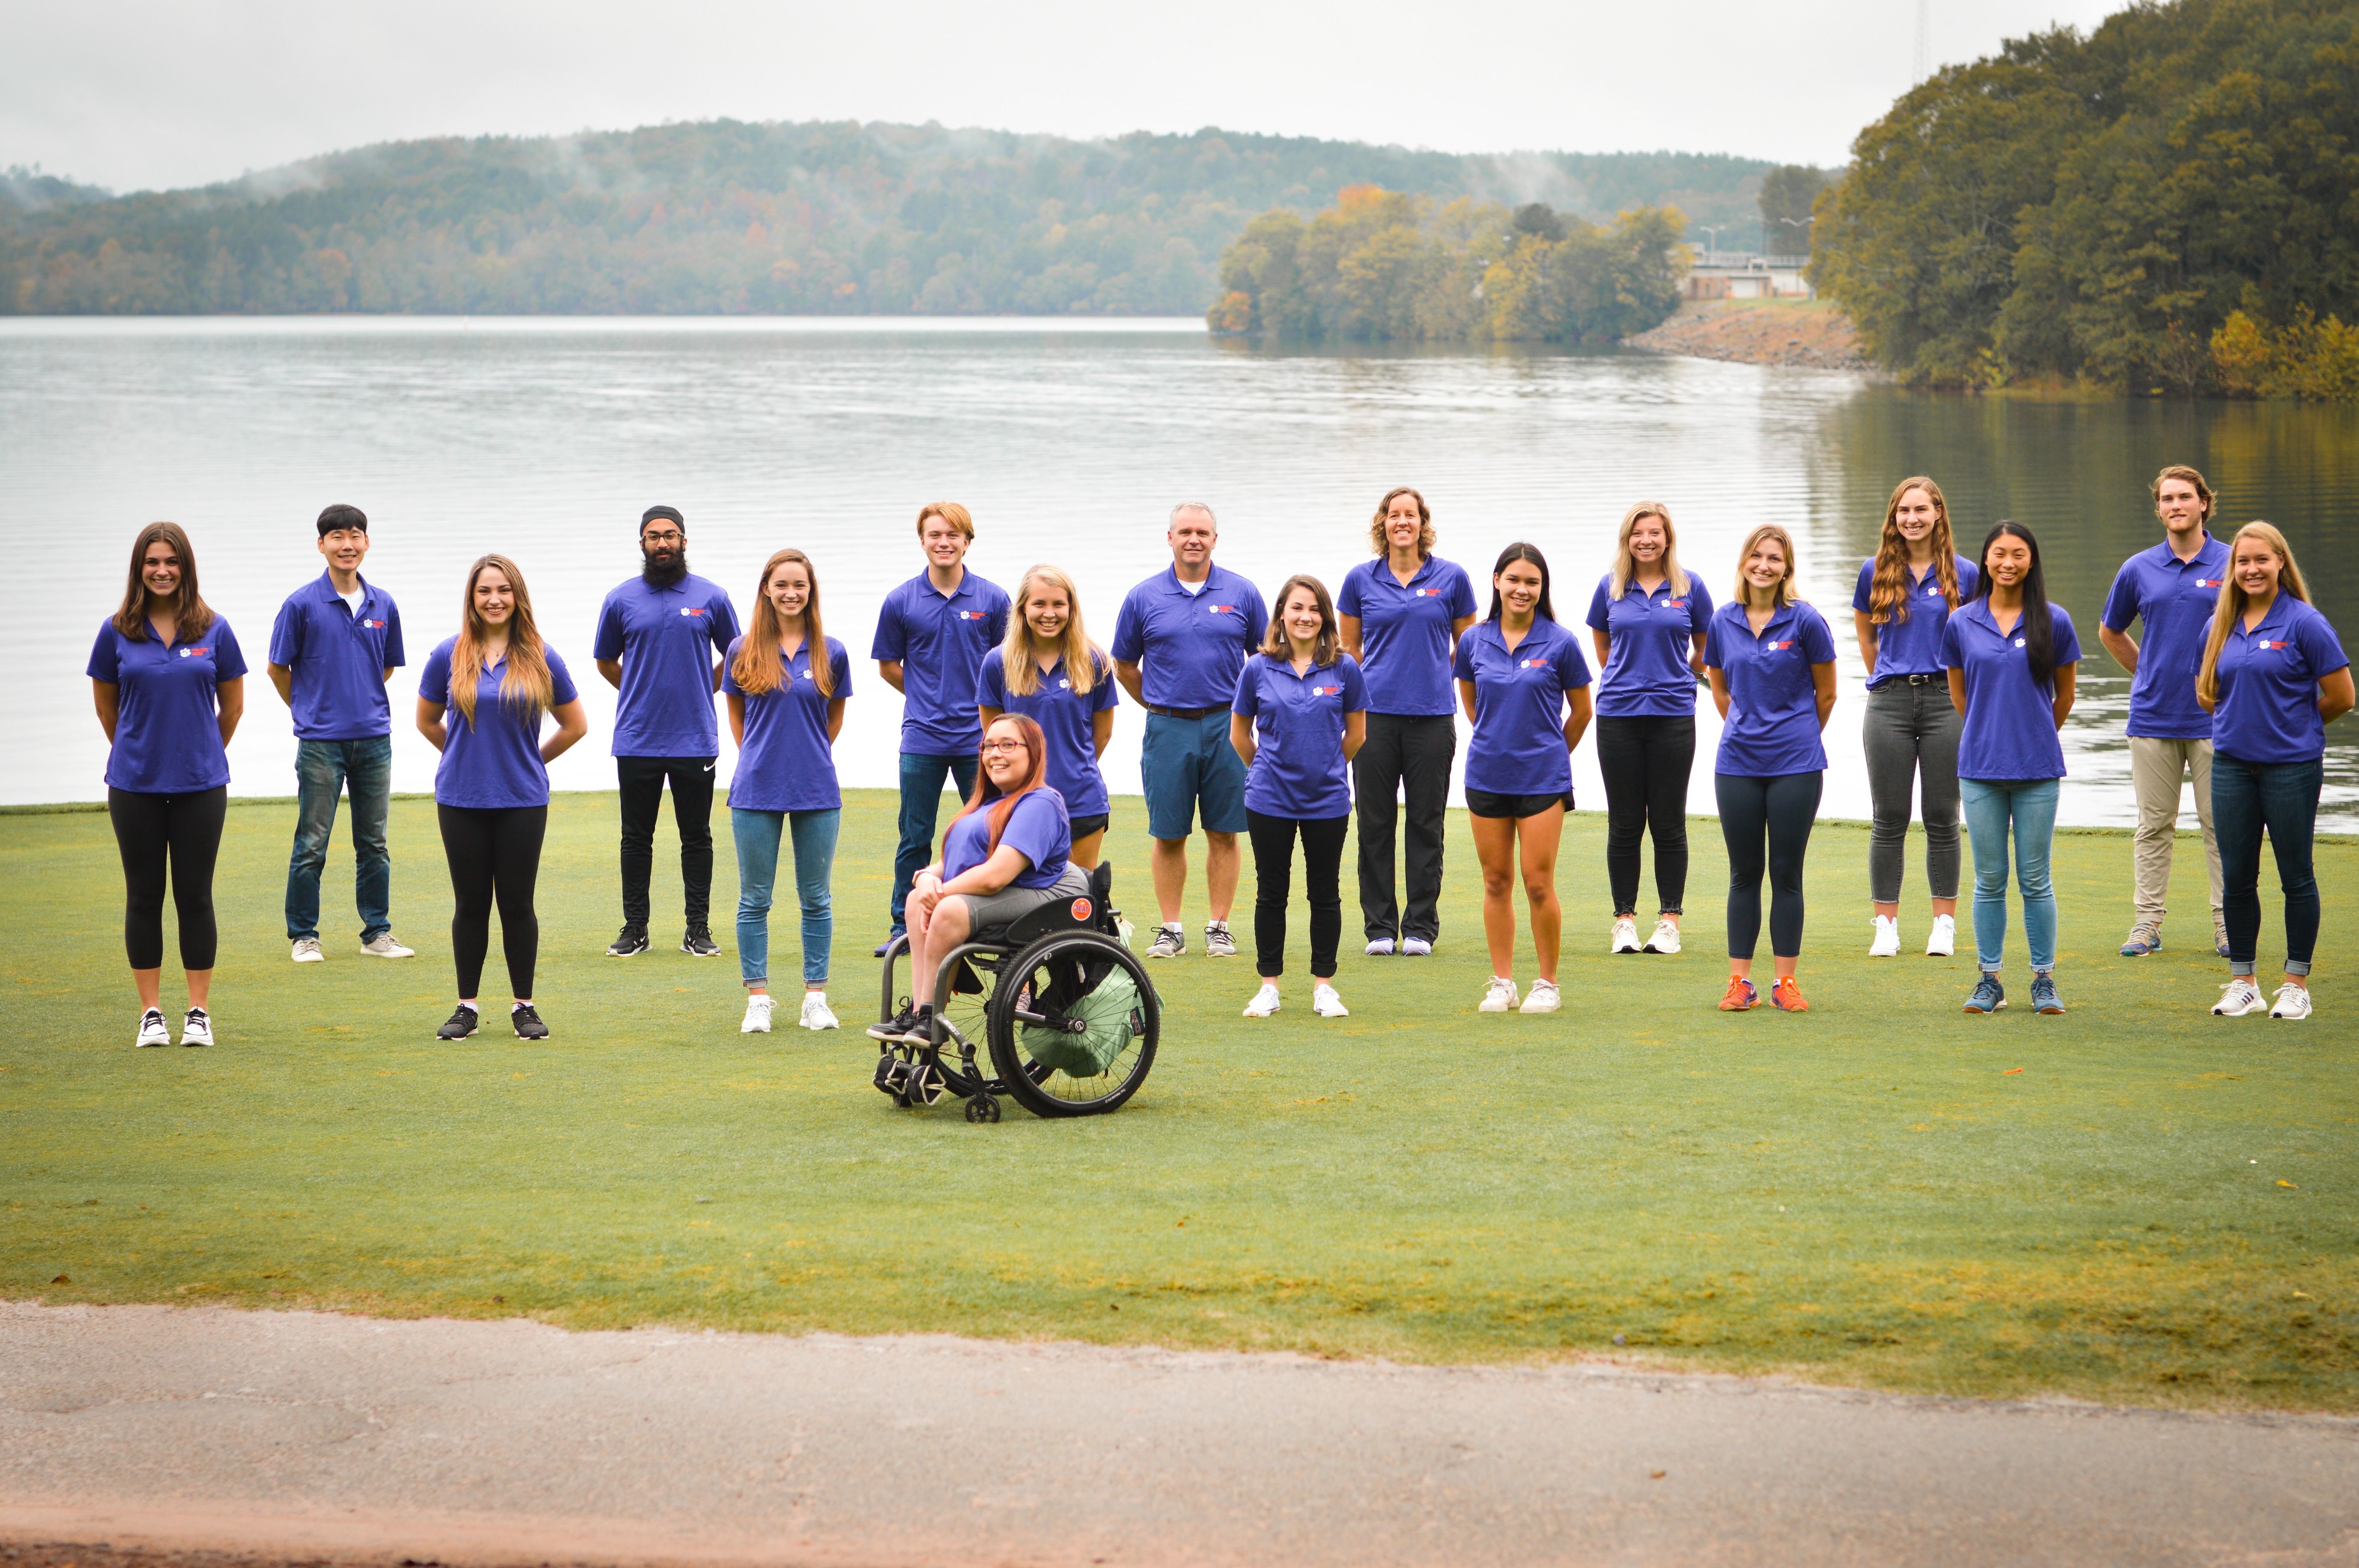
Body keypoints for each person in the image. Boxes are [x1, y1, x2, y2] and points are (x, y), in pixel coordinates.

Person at [419, 555, 589, 1041]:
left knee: (517, 903)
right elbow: (427, 721)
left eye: (503, 590)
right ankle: (466, 1008)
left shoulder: (541, 655)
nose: (494, 599)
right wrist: (463, 755)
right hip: (460, 797)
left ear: (517, 596)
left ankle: (524, 1007)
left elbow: (575, 726)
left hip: (522, 799)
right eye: (484, 591)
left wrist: (529, 762)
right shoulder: (447, 655)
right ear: (472, 600)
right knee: (470, 903)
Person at [89, 523, 246, 1048]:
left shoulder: (215, 629)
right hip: (134, 785)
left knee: (195, 896)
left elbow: (234, 706)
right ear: (139, 569)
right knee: (144, 895)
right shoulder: (116, 630)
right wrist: (143, 751)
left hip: (202, 785)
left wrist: (198, 751)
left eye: (171, 561)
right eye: (152, 562)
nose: (162, 570)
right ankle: (151, 1013)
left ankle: (198, 1012)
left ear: (186, 567)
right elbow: (108, 708)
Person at [2196, 522, 2353, 1021]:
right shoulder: (2218, 625)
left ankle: (2294, 983)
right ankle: (2243, 982)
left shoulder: (2304, 622)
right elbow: (2205, 693)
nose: (2251, 569)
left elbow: (2343, 696)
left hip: (2292, 768)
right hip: (2231, 768)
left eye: (2261, 560)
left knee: (2295, 876)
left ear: (2280, 562)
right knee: (2237, 878)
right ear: (2233, 568)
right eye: (2242, 562)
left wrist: (2296, 727)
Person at [1112, 502, 1269, 960]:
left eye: (1202, 532)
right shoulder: (1144, 596)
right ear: (1170, 538)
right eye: (1185, 532)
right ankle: (1171, 928)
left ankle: (1219, 927)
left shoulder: (1241, 592)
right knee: (1169, 833)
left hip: (1226, 724)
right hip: (1167, 727)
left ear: (1215, 540)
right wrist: (1156, 701)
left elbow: (1262, 659)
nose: (1193, 539)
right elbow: (1124, 664)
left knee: (1224, 831)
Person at [875, 714, 1087, 1044]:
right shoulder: (986, 805)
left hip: (1039, 895)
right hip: (1000, 894)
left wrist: (941, 893)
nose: (994, 754)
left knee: (947, 909)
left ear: (1032, 752)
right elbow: (950, 864)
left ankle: (931, 1017)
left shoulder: (1041, 802)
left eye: (1007, 745)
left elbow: (995, 876)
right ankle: (920, 1011)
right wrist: (927, 881)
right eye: (988, 746)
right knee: (916, 900)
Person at [1940, 523, 2080, 1017]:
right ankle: (1989, 979)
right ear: (1986, 560)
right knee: (1989, 879)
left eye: (2018, 554)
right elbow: (1960, 695)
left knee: (2035, 879)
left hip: (2037, 768)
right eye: (1999, 554)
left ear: (2031, 561)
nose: (2007, 562)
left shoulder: (2054, 620)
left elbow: (2064, 695)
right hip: (1979, 767)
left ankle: (2043, 980)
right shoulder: (1960, 622)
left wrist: (2034, 732)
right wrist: (1990, 731)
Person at [593, 505, 742, 960]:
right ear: (642, 543)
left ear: (684, 541)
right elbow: (605, 661)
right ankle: (635, 928)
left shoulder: (711, 597)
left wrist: (703, 685)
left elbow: (737, 655)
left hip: (695, 737)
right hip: (636, 738)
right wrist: (639, 688)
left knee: (695, 836)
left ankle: (697, 929)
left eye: (670, 535)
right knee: (635, 838)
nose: (663, 543)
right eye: (654, 536)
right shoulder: (621, 599)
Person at [267, 502, 412, 964]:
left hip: (374, 738)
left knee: (374, 842)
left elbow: (384, 666)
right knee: (312, 842)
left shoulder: (383, 603)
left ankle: (377, 933)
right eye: (336, 537)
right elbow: (277, 668)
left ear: (366, 543)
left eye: (355, 536)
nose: (346, 545)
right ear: (321, 545)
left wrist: (354, 700)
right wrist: (309, 708)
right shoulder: (300, 604)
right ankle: (305, 935)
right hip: (320, 744)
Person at [1453, 543, 1592, 1015]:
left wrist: (1550, 753)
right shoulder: (1473, 640)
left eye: (1531, 582)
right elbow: (1473, 705)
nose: (1522, 589)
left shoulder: (1562, 642)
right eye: (1513, 579)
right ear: (1496, 581)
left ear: (1542, 588)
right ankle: (1503, 983)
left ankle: (1547, 983)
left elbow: (1581, 712)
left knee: (1537, 883)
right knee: (1495, 881)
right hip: (1486, 774)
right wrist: (1501, 739)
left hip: (1542, 780)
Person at [2099, 465, 2232, 958]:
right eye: (2167, 499)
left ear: (2203, 503)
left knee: (2220, 825)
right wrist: (2145, 673)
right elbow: (2110, 631)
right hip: (2152, 717)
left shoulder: (2233, 561)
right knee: (2153, 825)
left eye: (2185, 497)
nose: (2175, 506)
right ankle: (2146, 925)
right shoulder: (2138, 568)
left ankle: (2227, 925)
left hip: (2217, 718)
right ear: (2158, 509)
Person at [1337, 486, 1476, 957]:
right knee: (1374, 824)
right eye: (1393, 515)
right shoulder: (1360, 580)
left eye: (1410, 515)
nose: (1402, 522)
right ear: (1383, 523)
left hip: (1433, 718)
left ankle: (1419, 927)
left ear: (1422, 523)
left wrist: (1435, 676)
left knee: (1426, 823)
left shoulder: (1451, 578)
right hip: (1373, 719)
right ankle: (1379, 928)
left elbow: (1469, 649)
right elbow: (1348, 653)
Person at [1704, 525, 1837, 1014]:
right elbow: (1720, 688)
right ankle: (1739, 982)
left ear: (1787, 568)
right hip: (1736, 764)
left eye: (1774, 559)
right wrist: (1746, 726)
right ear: (1744, 562)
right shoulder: (1722, 620)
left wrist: (1798, 735)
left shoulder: (1805, 621)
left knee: (1785, 872)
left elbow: (1827, 693)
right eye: (1756, 556)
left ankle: (1785, 983)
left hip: (1796, 765)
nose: (1763, 565)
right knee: (1743, 873)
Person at [871, 501, 1011, 955]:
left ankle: (985, 919)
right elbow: (888, 666)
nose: (944, 542)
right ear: (923, 541)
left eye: (953, 535)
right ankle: (903, 925)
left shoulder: (992, 599)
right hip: (922, 738)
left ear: (967, 541)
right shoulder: (900, 600)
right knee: (914, 834)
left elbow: (1006, 666)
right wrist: (924, 695)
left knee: (988, 831)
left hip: (981, 740)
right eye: (935, 535)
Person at [723, 549, 852, 1035]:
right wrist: (760, 755)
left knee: (815, 897)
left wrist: (805, 756)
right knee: (754, 899)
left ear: (810, 590)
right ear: (766, 589)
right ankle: (758, 998)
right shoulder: (742, 649)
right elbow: (736, 716)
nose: (791, 593)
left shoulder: (831, 651)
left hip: (817, 788)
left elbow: (833, 719)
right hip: (755, 788)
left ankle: (814, 998)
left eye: (799, 585)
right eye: (782, 585)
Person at [1231, 575, 1368, 1019]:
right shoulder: (1257, 667)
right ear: (1281, 616)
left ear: (1324, 616)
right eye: (1296, 608)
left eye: (1313, 609)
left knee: (1324, 893)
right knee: (1271, 892)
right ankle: (1268, 985)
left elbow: (1357, 734)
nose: (1305, 617)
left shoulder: (1344, 667)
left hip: (1326, 799)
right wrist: (1268, 770)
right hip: (1268, 798)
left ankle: (1323, 986)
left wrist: (1326, 765)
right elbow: (1240, 735)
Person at [1853, 476, 1977, 959]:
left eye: (1921, 509)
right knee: (1888, 817)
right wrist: (1885, 675)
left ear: (1938, 513)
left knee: (1943, 816)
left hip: (1948, 701)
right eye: (1903, 510)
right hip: (1888, 704)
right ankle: (1886, 926)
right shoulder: (1875, 570)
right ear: (1894, 516)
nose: (1911, 518)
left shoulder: (1966, 572)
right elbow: (1866, 634)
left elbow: (1978, 636)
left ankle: (1942, 925)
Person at [1586, 501, 1711, 957]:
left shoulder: (1689, 586)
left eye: (1654, 532)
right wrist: (1626, 674)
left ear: (1667, 538)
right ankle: (1623, 921)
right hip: (1617, 714)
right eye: (1638, 533)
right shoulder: (1610, 586)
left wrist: (1677, 672)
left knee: (1666, 820)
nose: (1646, 540)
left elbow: (1706, 647)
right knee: (1623, 823)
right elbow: (1603, 644)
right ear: (1627, 539)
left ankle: (1669, 921)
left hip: (1673, 714)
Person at [978, 564, 1118, 868]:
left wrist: (1071, 768)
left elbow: (1103, 733)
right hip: (1018, 801)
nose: (1049, 613)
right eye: (1039, 604)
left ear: (1071, 608)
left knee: (1079, 900)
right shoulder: (997, 662)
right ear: (1023, 608)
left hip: (1082, 801)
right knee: (1025, 898)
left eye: (1058, 604)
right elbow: (992, 737)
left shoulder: (1095, 661)